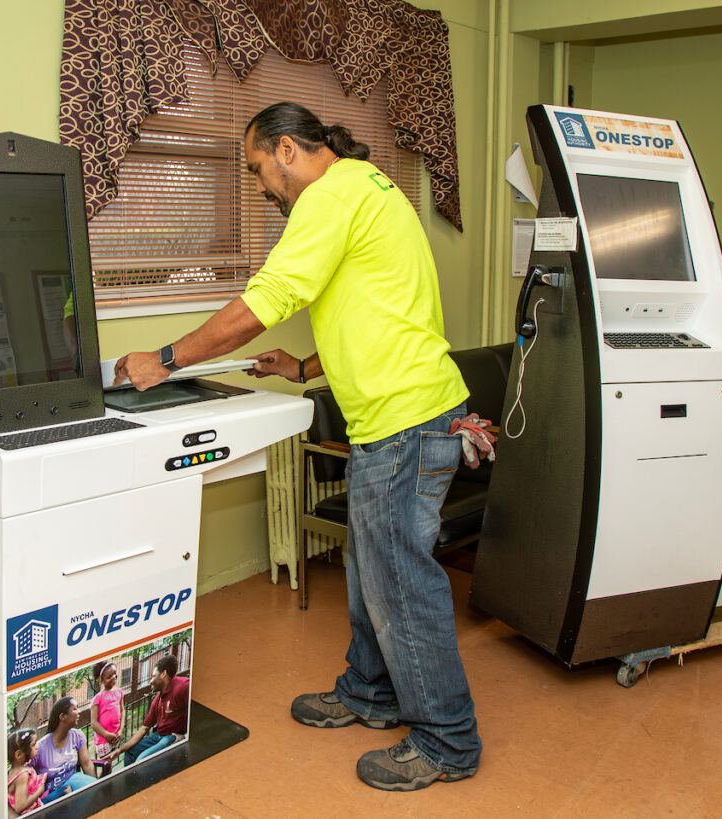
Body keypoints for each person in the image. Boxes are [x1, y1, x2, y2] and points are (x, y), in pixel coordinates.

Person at [113, 101, 481, 791]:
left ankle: (447, 738)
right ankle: (369, 692)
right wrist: (304, 369)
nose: (259, 186)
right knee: (372, 572)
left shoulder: (330, 195)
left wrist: (163, 357)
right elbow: (382, 309)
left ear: (287, 149)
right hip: (407, 413)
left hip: (406, 421)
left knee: (400, 583)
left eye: (258, 168)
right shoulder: (371, 186)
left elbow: (265, 300)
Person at [112, 655, 189, 765]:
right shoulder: (157, 700)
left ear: (163, 674)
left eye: (153, 676)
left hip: (171, 736)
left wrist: (186, 735)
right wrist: (120, 750)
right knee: (130, 753)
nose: (150, 681)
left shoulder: (183, 687)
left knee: (141, 760)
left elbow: (198, 711)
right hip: (158, 735)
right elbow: (144, 729)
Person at [30, 697, 96, 804]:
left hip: (73, 783)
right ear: (62, 717)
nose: (79, 712)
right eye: (75, 709)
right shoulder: (40, 747)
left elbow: (87, 764)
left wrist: (96, 788)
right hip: (52, 796)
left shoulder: (77, 736)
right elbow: (23, 774)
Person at [6, 728, 47, 815]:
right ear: (18, 754)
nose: (37, 747)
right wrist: (39, 791)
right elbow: (20, 806)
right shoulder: (22, 775)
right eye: (33, 745)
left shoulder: (11, 770)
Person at [89, 660, 125, 762]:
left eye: (114, 674)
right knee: (107, 765)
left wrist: (120, 730)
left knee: (111, 764)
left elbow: (122, 711)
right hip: (104, 740)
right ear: (102, 680)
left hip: (115, 736)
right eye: (109, 677)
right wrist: (106, 735)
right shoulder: (98, 698)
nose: (113, 677)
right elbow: (94, 722)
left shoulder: (119, 692)